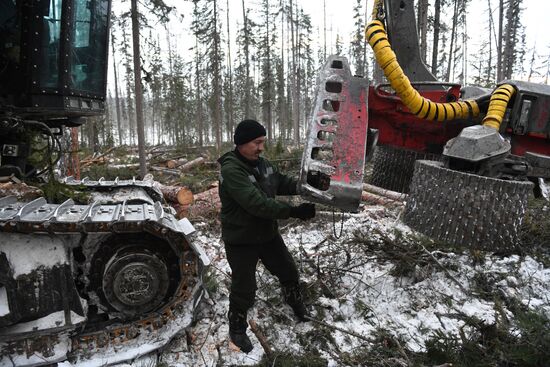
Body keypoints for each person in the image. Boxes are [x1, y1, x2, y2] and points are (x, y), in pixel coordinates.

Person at [217, 119, 316, 353]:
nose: (261, 148)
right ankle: (237, 326)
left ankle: (294, 301)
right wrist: (293, 211)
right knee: (244, 287)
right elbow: (257, 204)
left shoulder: (264, 165)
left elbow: (281, 182)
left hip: (266, 234)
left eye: (263, 142)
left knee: (288, 271)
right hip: (241, 239)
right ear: (241, 143)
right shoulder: (231, 170)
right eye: (256, 143)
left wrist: (306, 185)